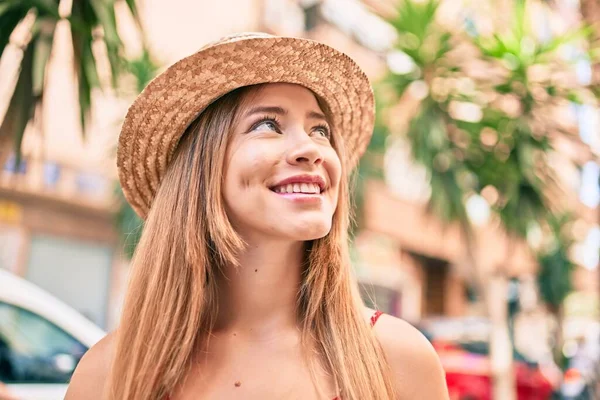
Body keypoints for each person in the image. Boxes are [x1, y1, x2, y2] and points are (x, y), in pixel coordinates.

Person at [65, 32, 448, 400]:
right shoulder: (107, 375)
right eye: (268, 124)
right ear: (201, 170)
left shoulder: (398, 359)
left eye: (320, 130)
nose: (311, 149)